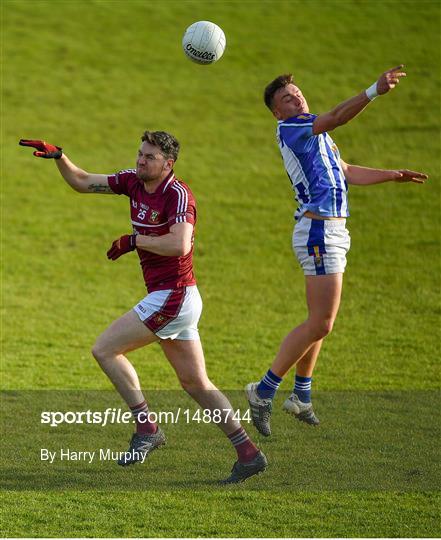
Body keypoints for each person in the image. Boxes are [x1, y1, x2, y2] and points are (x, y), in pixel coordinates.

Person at [20, 131, 267, 483]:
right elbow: (84, 182)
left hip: (173, 295)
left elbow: (180, 244)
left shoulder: (178, 195)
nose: (140, 161)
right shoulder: (133, 183)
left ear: (168, 164)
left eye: (148, 157)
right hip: (176, 297)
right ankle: (248, 453)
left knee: (105, 349)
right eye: (139, 154)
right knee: (196, 383)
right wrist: (60, 156)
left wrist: (135, 241)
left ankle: (147, 428)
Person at [246, 65, 427, 436]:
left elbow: (344, 170)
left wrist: (390, 175)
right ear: (277, 112)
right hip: (318, 231)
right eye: (286, 98)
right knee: (321, 322)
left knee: (321, 321)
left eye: (297, 93)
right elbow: (339, 116)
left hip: (331, 230)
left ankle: (301, 395)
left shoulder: (316, 133)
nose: (295, 98)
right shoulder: (294, 128)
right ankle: (262, 392)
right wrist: (373, 91)